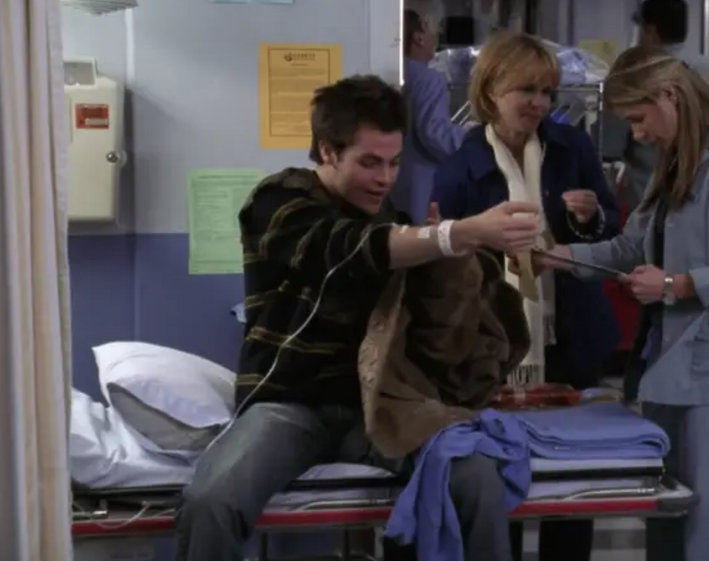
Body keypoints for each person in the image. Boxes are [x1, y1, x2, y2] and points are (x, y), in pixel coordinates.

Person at [174, 75, 542, 561]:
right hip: (290, 405)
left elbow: (434, 332)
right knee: (211, 500)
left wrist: (457, 264)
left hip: (381, 404)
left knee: (476, 477)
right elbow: (346, 248)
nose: (385, 178)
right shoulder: (278, 202)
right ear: (328, 151)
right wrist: (454, 234)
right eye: (369, 162)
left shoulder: (395, 222)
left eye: (394, 162)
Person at [539, 46, 709, 561]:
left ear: (670, 96)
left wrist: (678, 284)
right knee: (669, 525)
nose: (637, 134)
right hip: (671, 369)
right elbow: (633, 247)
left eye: (639, 118)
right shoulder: (676, 161)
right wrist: (557, 256)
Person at [430, 31, 621, 561]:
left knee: (572, 481)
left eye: (547, 92)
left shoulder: (571, 148)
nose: (539, 103)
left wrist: (588, 217)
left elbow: (611, 229)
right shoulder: (459, 165)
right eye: (526, 90)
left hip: (570, 333)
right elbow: (444, 257)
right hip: (494, 343)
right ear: (491, 91)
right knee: (500, 473)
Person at [605, 0, 709, 213]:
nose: (639, 133)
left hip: (655, 201)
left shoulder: (636, 80)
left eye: (639, 120)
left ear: (649, 31)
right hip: (707, 201)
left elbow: (609, 149)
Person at [391, 6, 466, 223]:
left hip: (395, 177)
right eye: (432, 31)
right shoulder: (428, 78)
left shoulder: (395, 72)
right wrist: (472, 138)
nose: (436, 38)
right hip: (418, 182)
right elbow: (434, 133)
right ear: (419, 37)